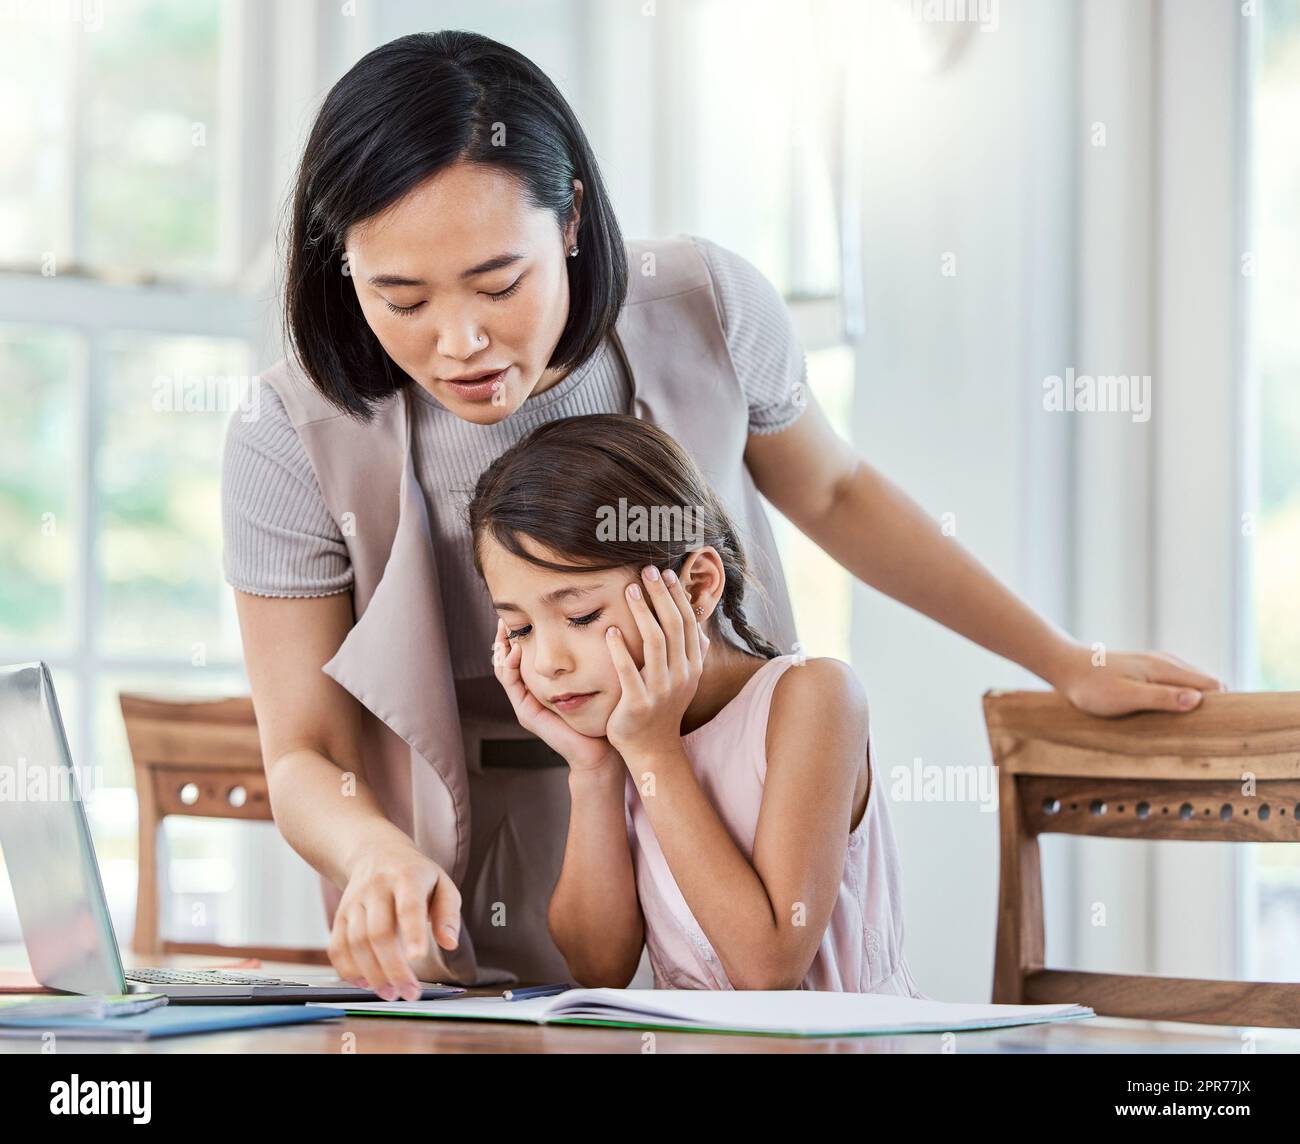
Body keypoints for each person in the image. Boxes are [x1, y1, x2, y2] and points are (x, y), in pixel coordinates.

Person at [222, 30, 1222, 1000]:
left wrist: (1058, 657)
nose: (460, 341)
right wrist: (375, 853)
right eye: (400, 298)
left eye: (499, 280)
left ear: (570, 219)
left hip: (725, 818)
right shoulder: (291, 433)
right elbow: (303, 747)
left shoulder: (698, 303)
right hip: (462, 854)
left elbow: (834, 492)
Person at [471, 414, 929, 994]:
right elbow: (597, 968)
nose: (546, 663)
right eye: (519, 629)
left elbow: (767, 970)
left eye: (581, 615)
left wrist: (654, 752)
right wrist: (593, 770)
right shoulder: (626, 735)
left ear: (694, 588)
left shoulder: (813, 698)